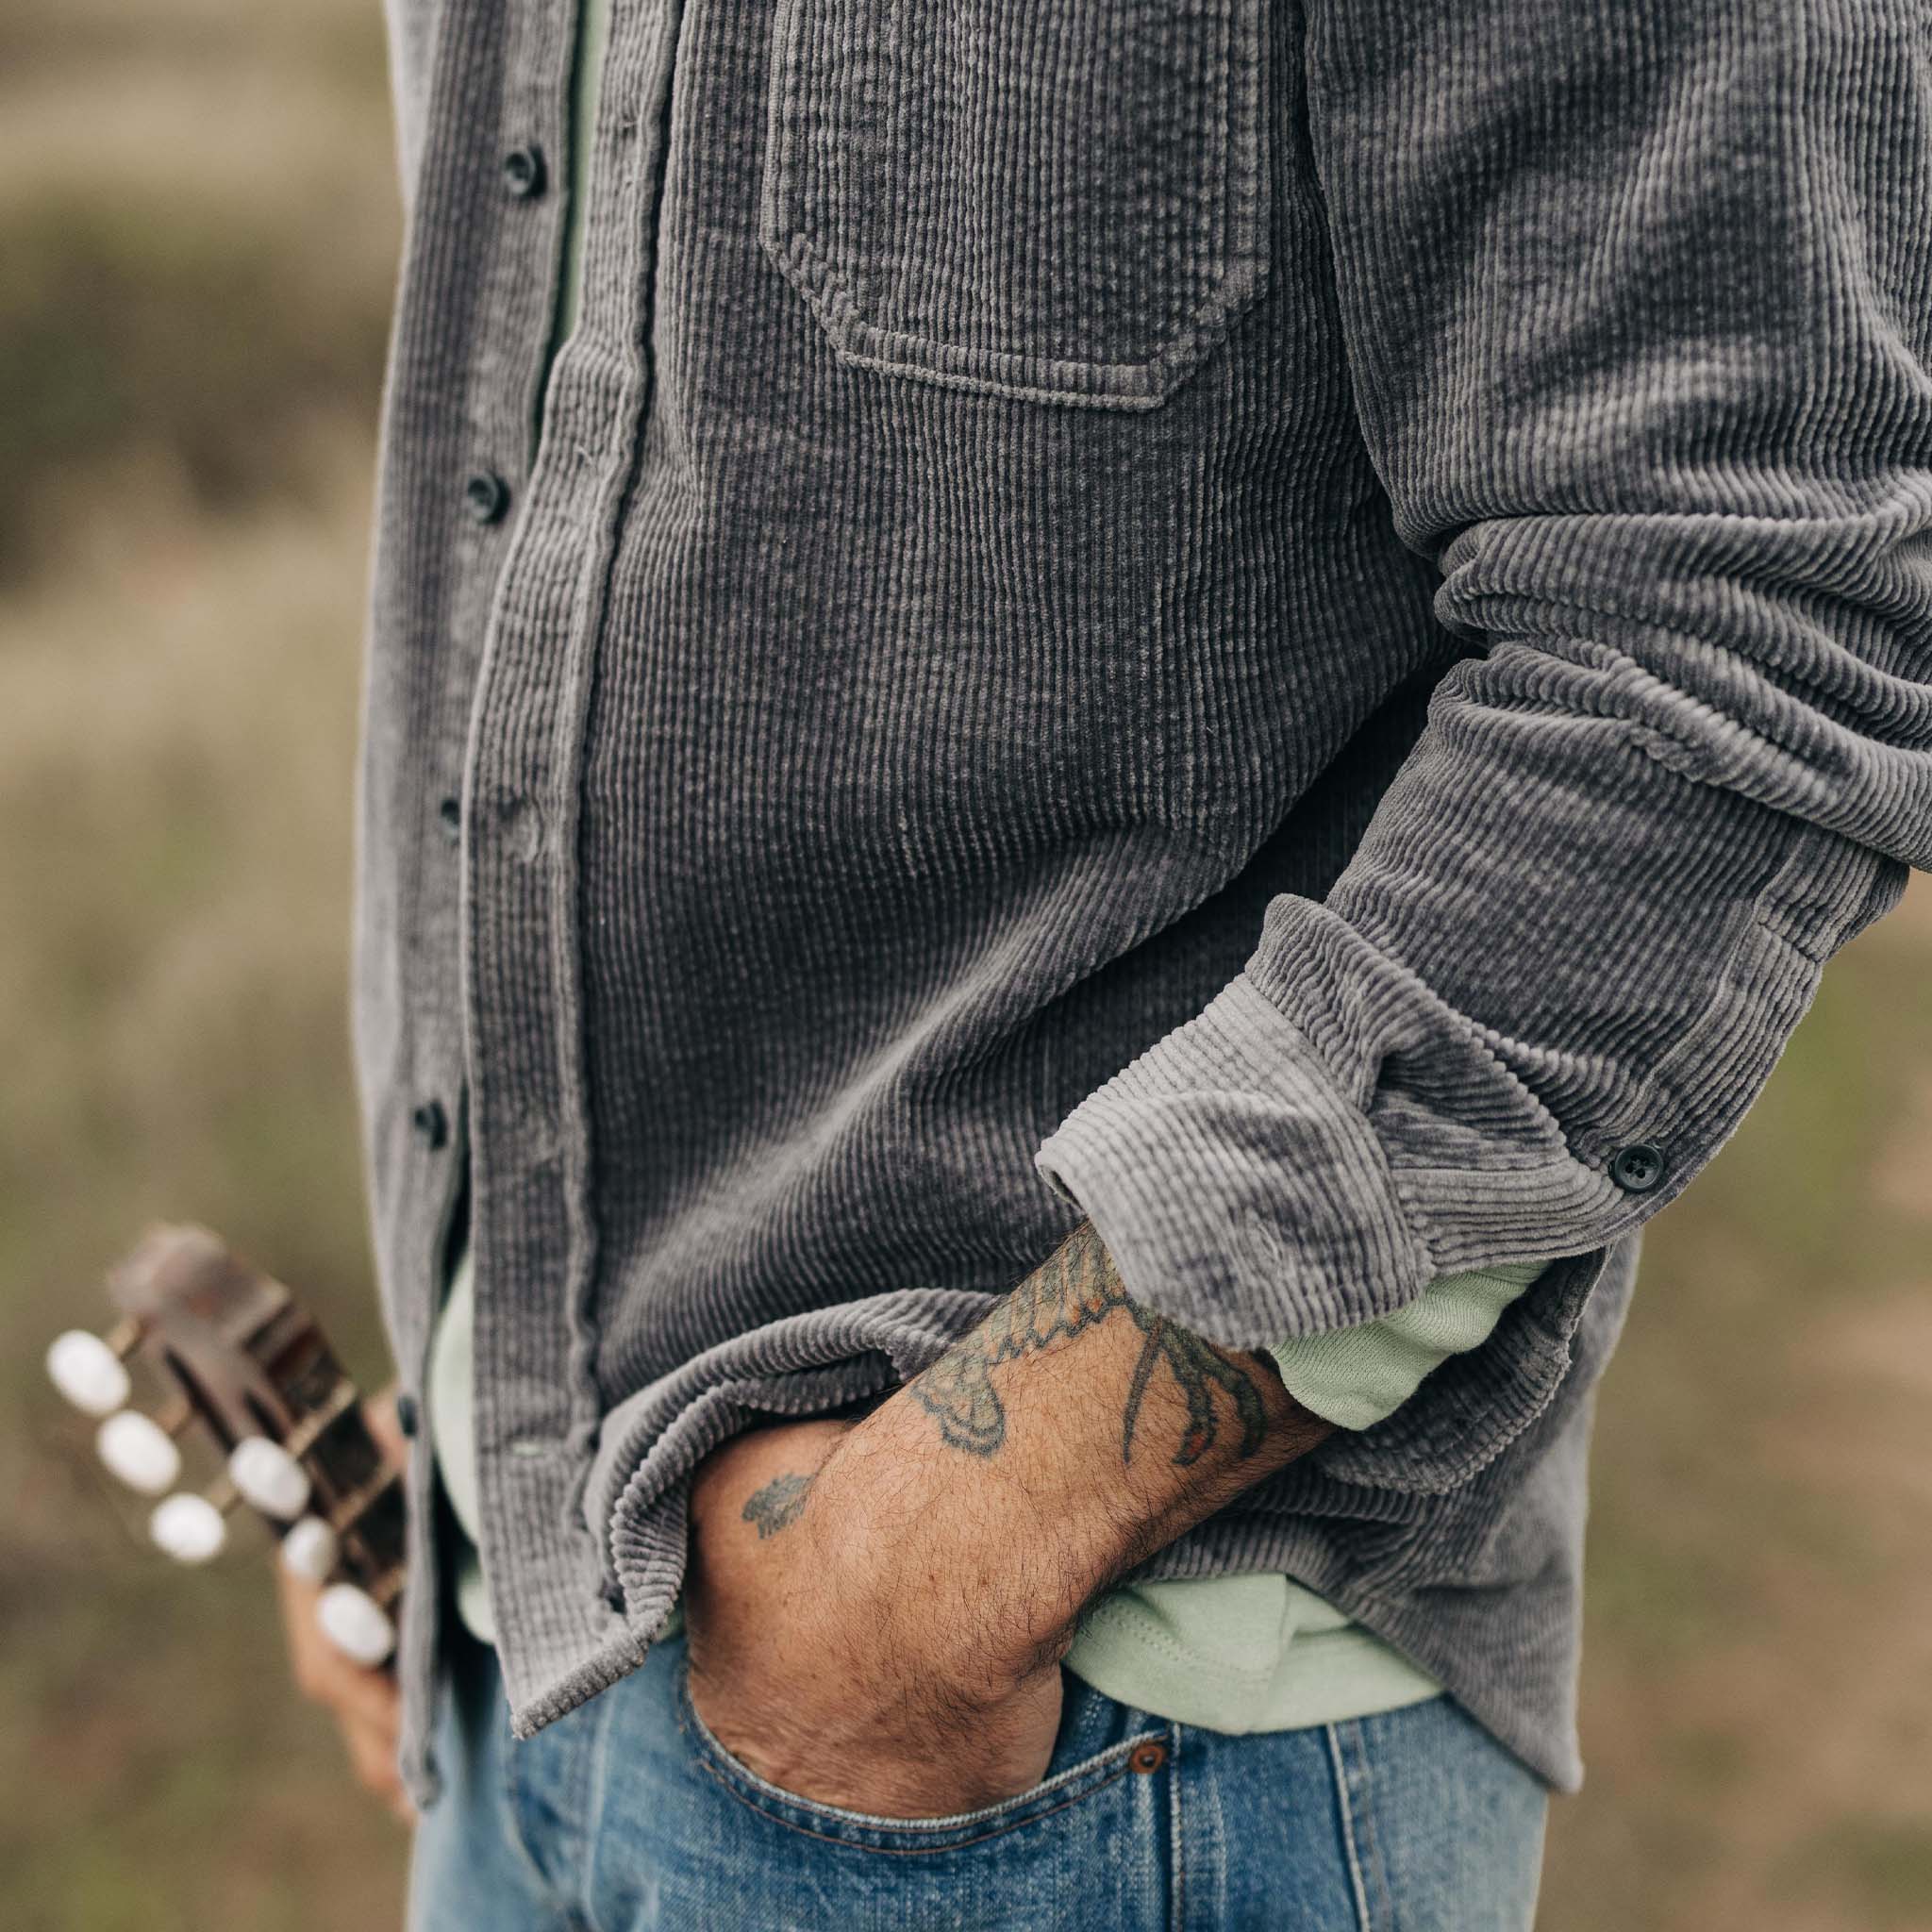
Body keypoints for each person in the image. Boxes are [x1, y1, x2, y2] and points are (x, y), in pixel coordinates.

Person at [278, 0, 1932, 1923]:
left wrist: (955, 1545)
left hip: (1076, 1741)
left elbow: (1740, 612)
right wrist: (488, 1376)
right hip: (515, 1667)